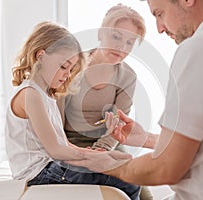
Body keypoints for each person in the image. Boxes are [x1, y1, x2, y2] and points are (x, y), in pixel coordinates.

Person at [66, 0, 203, 199]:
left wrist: (110, 164)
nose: (160, 28)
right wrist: (147, 139)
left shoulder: (201, 47)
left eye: (160, 13)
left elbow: (166, 168)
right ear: (101, 33)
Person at [4, 21, 141, 200]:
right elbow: (55, 150)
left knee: (129, 171)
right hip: (39, 173)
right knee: (128, 181)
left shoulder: (46, 95)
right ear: (41, 56)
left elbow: (63, 144)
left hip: (51, 167)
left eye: (71, 69)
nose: (67, 74)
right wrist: (99, 160)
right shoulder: (30, 95)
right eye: (63, 66)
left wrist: (104, 155)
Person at [57, 4, 153, 200]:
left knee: (145, 196)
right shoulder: (72, 65)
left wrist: (101, 151)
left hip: (108, 144)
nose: (121, 47)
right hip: (70, 142)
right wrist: (73, 151)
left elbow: (118, 125)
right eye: (116, 37)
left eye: (130, 42)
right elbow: (55, 119)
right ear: (101, 33)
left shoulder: (127, 76)